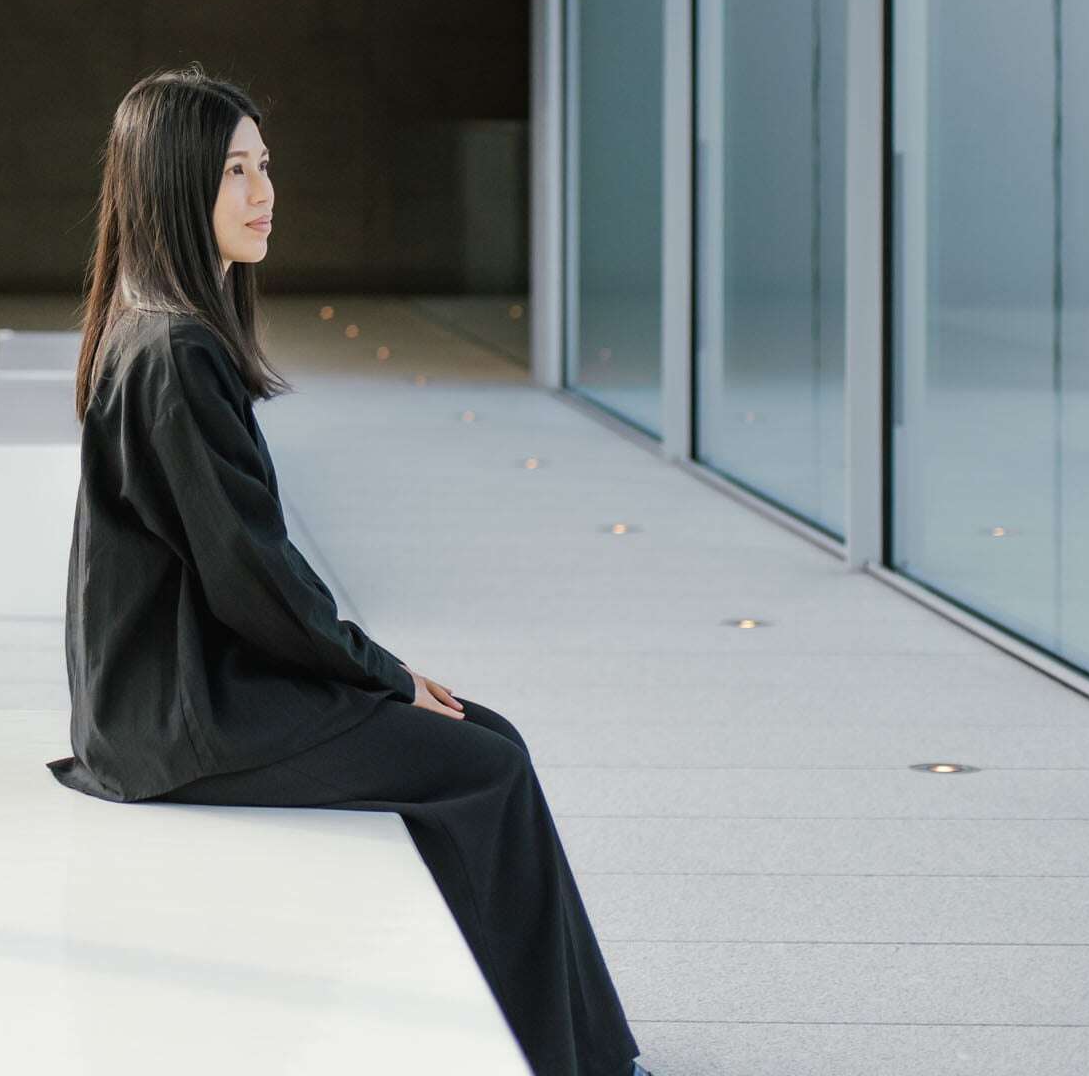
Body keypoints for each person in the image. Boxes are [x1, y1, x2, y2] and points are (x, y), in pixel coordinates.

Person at [46, 67, 643, 1076]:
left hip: (166, 698)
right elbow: (255, 576)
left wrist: (375, 675)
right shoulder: (176, 352)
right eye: (234, 170)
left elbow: (243, 571)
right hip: (186, 717)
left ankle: (577, 1049)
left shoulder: (147, 330)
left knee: (485, 741)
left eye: (266, 164)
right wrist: (382, 672)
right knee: (486, 759)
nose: (264, 190)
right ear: (174, 185)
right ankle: (569, 1057)